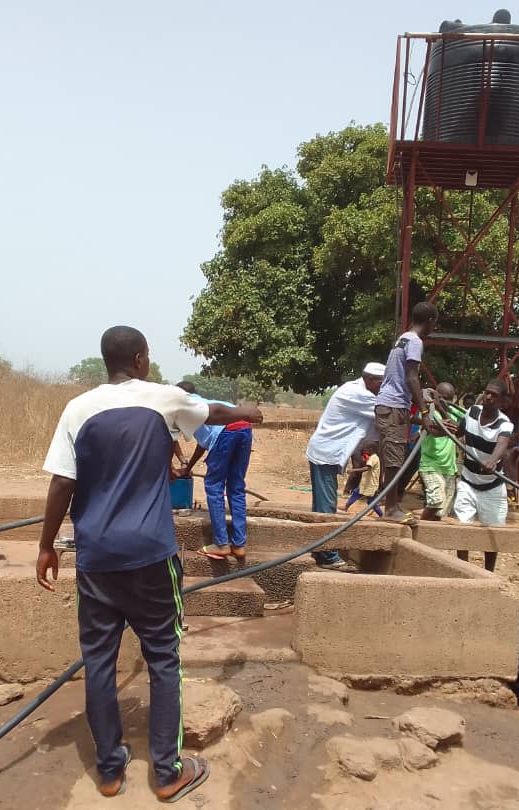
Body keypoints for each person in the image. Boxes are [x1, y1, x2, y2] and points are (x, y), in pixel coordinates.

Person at [36, 325, 262, 801]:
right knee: (163, 660)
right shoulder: (162, 398)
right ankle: (166, 773)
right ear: (140, 359)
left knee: (99, 662)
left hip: (96, 557)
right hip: (151, 555)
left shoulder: (76, 409)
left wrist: (46, 544)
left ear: (106, 361)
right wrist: (249, 412)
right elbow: (216, 412)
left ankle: (110, 771)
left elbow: (61, 483)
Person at [305, 362, 385, 569]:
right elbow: (388, 415)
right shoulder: (358, 394)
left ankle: (319, 549)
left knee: (322, 506)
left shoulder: (360, 390)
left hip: (327, 452)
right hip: (326, 453)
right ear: (369, 380)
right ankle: (328, 556)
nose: (382, 387)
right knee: (326, 507)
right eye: (380, 382)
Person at [374, 301, 438, 523]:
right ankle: (391, 509)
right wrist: (424, 410)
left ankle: (393, 504)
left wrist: (417, 418)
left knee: (394, 457)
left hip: (392, 405)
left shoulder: (403, 338)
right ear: (430, 321)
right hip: (393, 405)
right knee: (394, 458)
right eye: (434, 324)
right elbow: (412, 377)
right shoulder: (415, 342)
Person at [177, 386, 254, 561]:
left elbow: (171, 439)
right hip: (245, 428)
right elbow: (204, 442)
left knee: (214, 485)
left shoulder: (186, 405)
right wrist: (188, 468)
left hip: (226, 431)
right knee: (236, 487)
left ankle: (221, 544)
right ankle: (239, 544)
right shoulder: (206, 402)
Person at [453, 380, 512, 571]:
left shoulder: (505, 424)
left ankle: (489, 575)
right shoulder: (472, 412)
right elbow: (459, 431)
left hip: (491, 487)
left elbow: (502, 444)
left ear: (503, 401)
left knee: (492, 535)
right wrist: (442, 427)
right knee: (463, 531)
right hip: (467, 482)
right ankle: (463, 572)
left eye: (494, 395)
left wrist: (492, 460)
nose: (488, 397)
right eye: (487, 393)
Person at [419, 382, 464, 521]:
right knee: (435, 501)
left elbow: (457, 430)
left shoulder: (454, 412)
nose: (446, 401)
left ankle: (432, 533)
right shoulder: (428, 412)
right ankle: (422, 527)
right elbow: (434, 431)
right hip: (431, 465)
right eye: (442, 397)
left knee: (442, 510)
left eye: (449, 398)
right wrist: (437, 408)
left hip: (449, 468)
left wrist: (443, 409)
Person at [342, 442, 382, 518]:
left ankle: (381, 515)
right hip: (366, 484)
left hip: (370, 485)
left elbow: (367, 468)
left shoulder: (373, 458)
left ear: (371, 449)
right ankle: (346, 507)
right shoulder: (372, 458)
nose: (365, 452)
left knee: (371, 502)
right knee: (356, 493)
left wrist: (353, 470)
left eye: (365, 450)